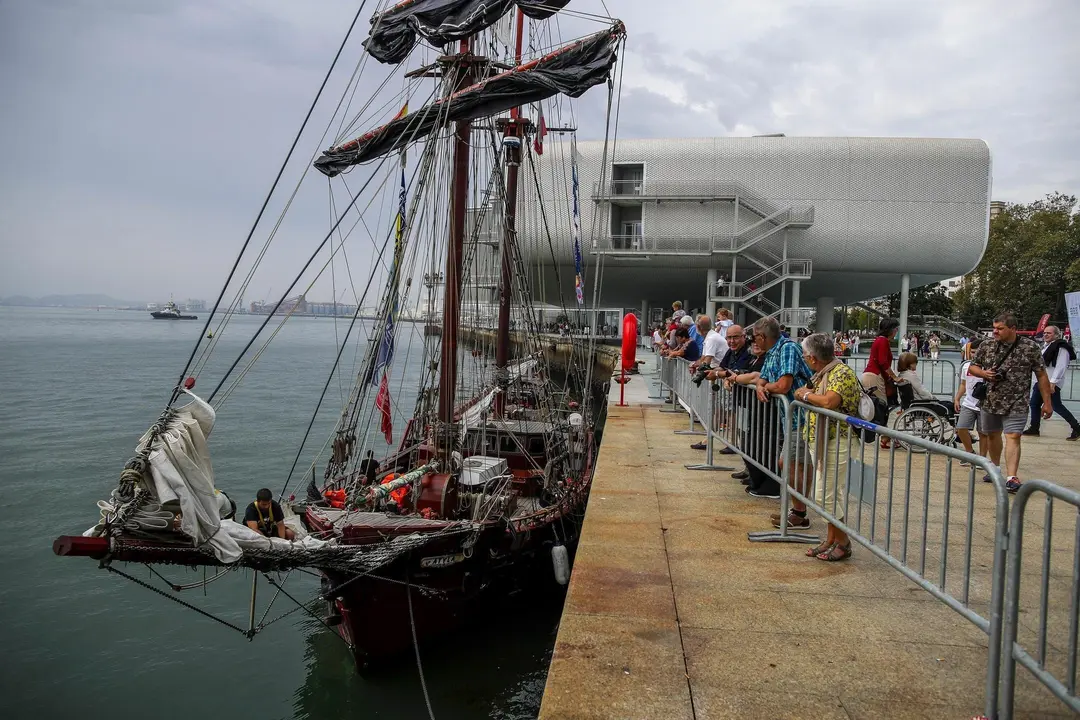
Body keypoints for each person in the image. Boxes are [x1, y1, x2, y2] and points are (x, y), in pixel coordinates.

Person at [787, 333, 860, 561]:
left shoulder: (841, 373)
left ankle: (844, 541)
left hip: (836, 441)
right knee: (832, 493)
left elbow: (829, 401)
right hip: (821, 440)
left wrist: (806, 395)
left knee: (823, 496)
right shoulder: (823, 373)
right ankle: (831, 539)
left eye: (805, 356)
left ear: (811, 358)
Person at [969, 312, 1053, 493]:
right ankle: (995, 467)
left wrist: (1047, 402)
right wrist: (984, 374)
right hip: (991, 399)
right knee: (992, 435)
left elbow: (1041, 374)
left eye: (1000, 328)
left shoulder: (1030, 347)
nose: (995, 332)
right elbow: (972, 366)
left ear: (1013, 329)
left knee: (1013, 436)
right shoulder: (987, 346)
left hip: (1018, 401)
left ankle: (1012, 477)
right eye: (994, 328)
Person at [750, 317, 812, 500]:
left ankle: (799, 511)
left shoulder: (787, 349)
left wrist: (765, 387)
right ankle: (797, 510)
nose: (754, 341)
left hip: (801, 418)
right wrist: (762, 386)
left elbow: (783, 385)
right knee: (791, 463)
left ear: (762, 336)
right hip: (789, 418)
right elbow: (762, 379)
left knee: (791, 463)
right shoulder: (771, 352)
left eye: (754, 337)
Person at [1023, 325, 1080, 441]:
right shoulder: (1046, 347)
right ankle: (1034, 427)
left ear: (1056, 335)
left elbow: (1061, 365)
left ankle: (1076, 427)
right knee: (1034, 404)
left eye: (1049, 333)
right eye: (1044, 333)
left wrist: (1053, 382)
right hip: (1041, 381)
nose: (1045, 335)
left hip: (1050, 382)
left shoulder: (1061, 347)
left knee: (1056, 406)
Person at [955, 338, 989, 467]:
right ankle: (969, 453)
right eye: (973, 352)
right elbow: (963, 384)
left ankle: (982, 458)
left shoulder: (989, 366)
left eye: (978, 352)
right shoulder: (966, 366)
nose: (975, 355)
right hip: (968, 402)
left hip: (985, 404)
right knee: (961, 428)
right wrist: (957, 398)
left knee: (983, 432)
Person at [862, 318, 901, 405]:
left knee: (877, 407)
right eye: (896, 329)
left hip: (872, 374)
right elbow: (883, 362)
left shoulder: (881, 340)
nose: (897, 331)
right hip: (874, 376)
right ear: (890, 329)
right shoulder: (883, 341)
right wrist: (895, 377)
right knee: (881, 406)